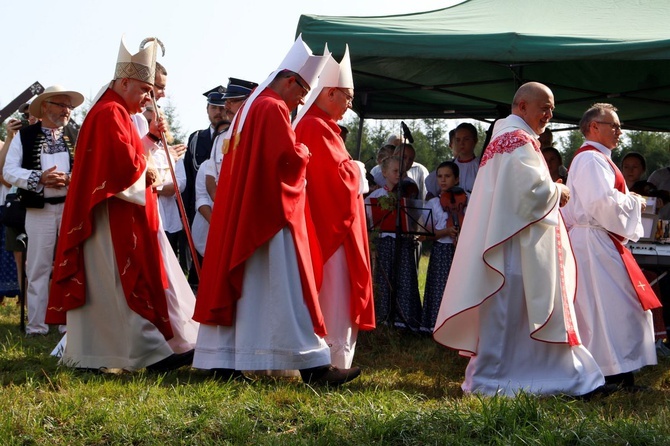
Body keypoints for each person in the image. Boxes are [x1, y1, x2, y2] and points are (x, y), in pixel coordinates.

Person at [192, 36, 360, 385]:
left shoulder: (253, 105)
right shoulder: (272, 107)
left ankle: (228, 363)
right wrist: (304, 154)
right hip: (269, 217)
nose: (301, 101)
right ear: (289, 81)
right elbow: (285, 158)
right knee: (288, 291)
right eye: (301, 93)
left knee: (248, 291)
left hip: (246, 212)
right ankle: (313, 368)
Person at [433, 82, 604, 397]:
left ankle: (534, 376)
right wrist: (559, 191)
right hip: (514, 248)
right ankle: (497, 380)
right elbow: (529, 193)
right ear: (522, 106)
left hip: (512, 242)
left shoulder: (508, 137)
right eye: (544, 107)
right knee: (512, 312)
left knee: (513, 313)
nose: (549, 115)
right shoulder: (516, 139)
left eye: (551, 109)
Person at [46, 37, 193, 371]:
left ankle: (105, 354)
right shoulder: (111, 112)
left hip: (110, 210)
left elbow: (127, 160)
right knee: (116, 284)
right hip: (107, 216)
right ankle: (146, 353)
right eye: (144, 89)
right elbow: (122, 166)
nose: (147, 98)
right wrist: (149, 170)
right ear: (124, 81)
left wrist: (148, 155)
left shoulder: (116, 110)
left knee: (110, 288)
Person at [562, 103, 660, 391]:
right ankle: (607, 374)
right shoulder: (591, 160)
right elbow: (601, 204)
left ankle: (619, 371)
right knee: (606, 309)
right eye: (613, 125)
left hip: (598, 240)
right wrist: (636, 202)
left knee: (614, 308)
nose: (619, 131)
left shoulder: (598, 159)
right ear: (594, 127)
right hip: (593, 242)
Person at [293, 46, 375, 369]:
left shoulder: (321, 124)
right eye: (348, 96)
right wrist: (358, 170)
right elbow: (336, 179)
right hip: (331, 229)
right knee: (335, 291)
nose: (351, 104)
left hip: (333, 224)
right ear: (328, 92)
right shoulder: (316, 125)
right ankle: (332, 358)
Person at [4, 85, 83, 335]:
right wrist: (39, 178)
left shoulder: (76, 133)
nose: (66, 110)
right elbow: (9, 171)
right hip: (39, 210)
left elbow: (90, 166)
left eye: (69, 106)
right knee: (37, 267)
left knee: (69, 265)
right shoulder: (25, 136)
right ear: (45, 106)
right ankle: (36, 325)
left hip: (70, 210)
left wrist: (70, 179)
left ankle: (67, 323)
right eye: (61, 105)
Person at [365, 156, 422, 331]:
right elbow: (368, 221)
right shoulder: (376, 196)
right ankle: (382, 317)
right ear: (384, 173)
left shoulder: (408, 195)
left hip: (402, 243)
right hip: (383, 243)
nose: (399, 175)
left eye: (402, 172)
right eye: (395, 171)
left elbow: (415, 221)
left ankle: (404, 318)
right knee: (383, 279)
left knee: (404, 279)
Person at [419, 161, 464, 334]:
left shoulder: (467, 199)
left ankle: (458, 329)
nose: (443, 180)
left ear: (457, 179)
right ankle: (437, 327)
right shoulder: (433, 203)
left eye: (447, 176)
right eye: (440, 176)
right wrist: (446, 231)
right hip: (442, 250)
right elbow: (426, 234)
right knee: (439, 288)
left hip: (461, 251)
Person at [452, 123, 480, 194]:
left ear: (475, 141)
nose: (462, 143)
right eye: (458, 140)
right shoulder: (450, 166)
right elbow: (431, 192)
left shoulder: (481, 165)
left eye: (466, 139)